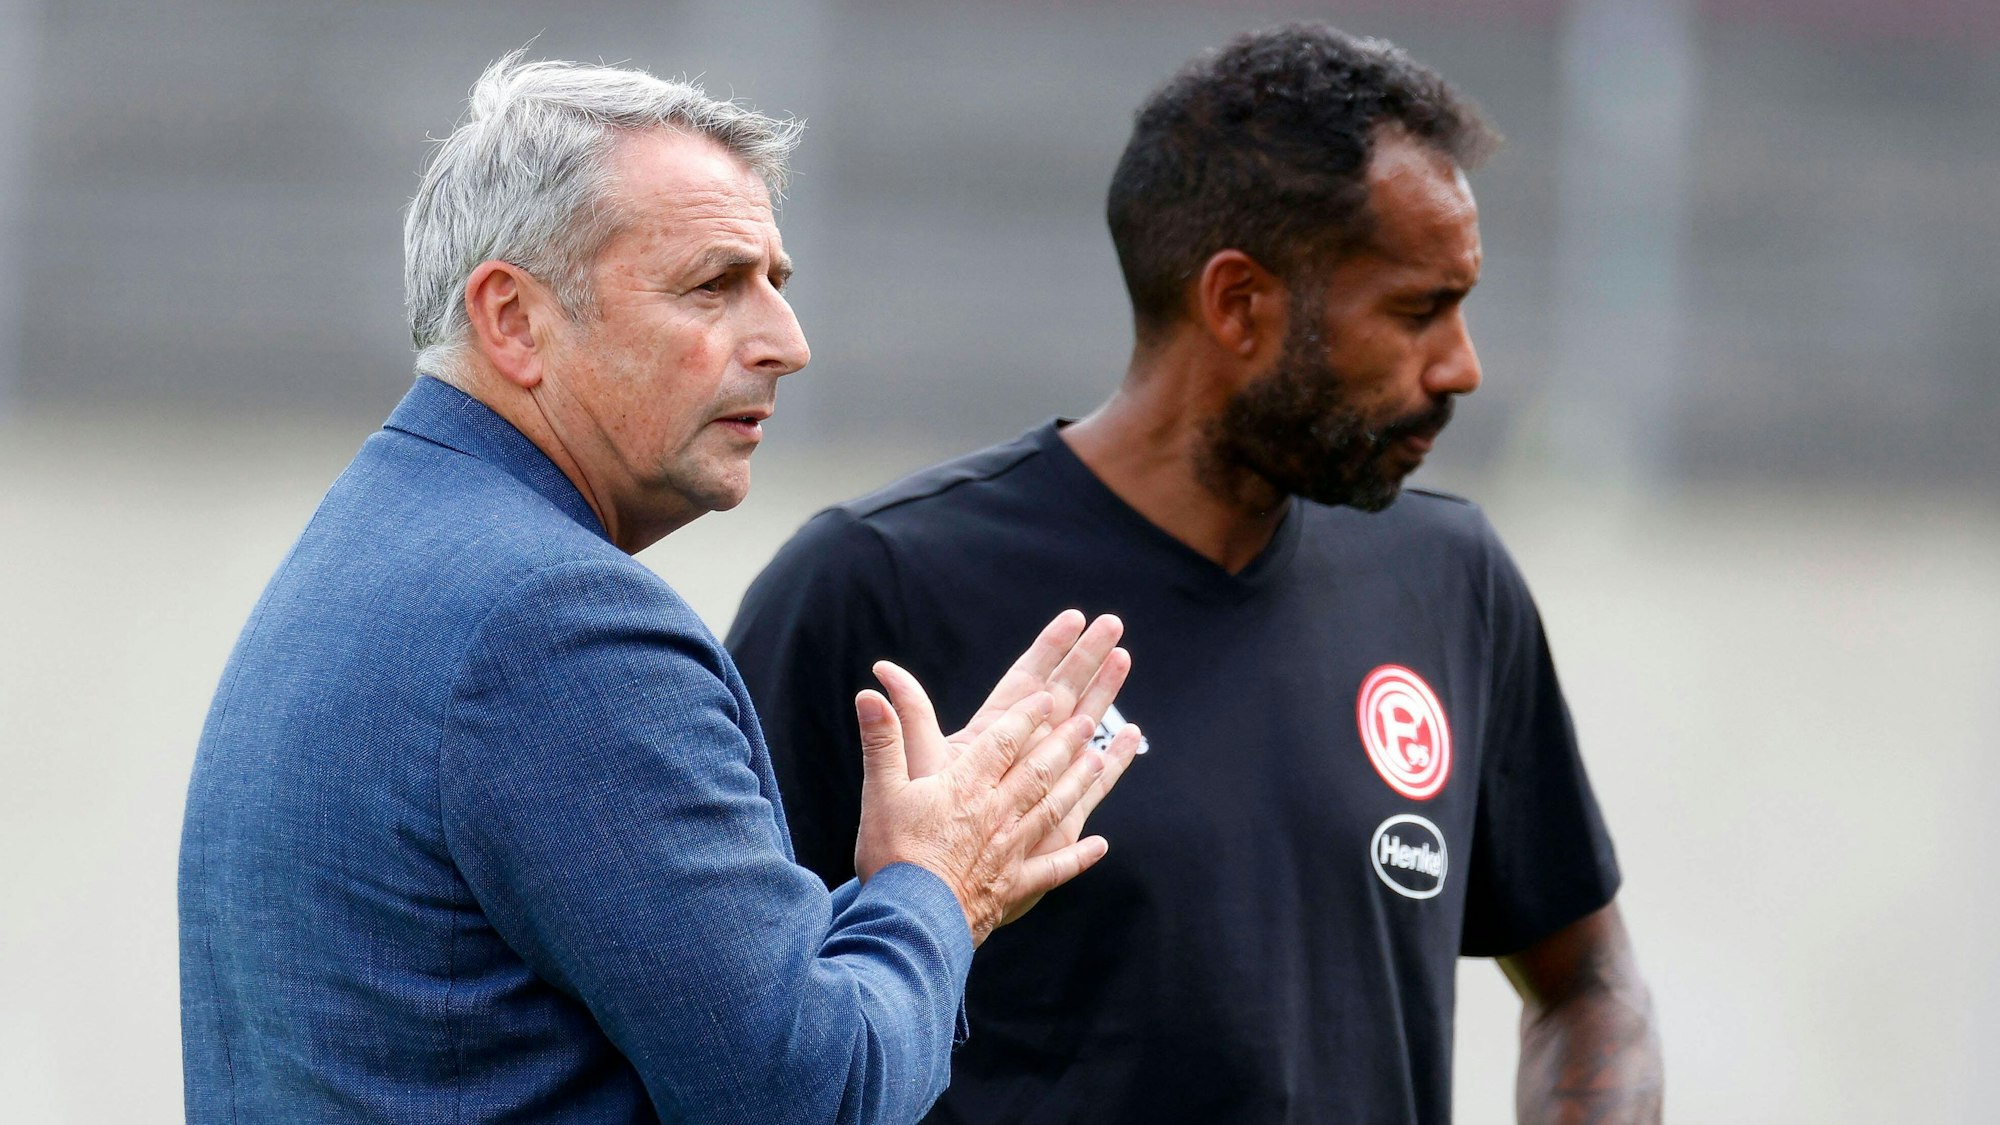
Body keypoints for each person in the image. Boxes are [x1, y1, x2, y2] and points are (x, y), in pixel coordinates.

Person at [177, 54, 1144, 1124]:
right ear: (513, 321)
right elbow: (811, 1097)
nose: (787, 344)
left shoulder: (380, 541)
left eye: (777, 283)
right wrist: (940, 887)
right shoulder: (553, 626)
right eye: (713, 286)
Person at [729, 24, 1663, 1125]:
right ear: (1237, 304)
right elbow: (725, 1032)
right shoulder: (874, 588)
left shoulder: (1450, 579)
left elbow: (1589, 983)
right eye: (1415, 311)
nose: (1459, 365)